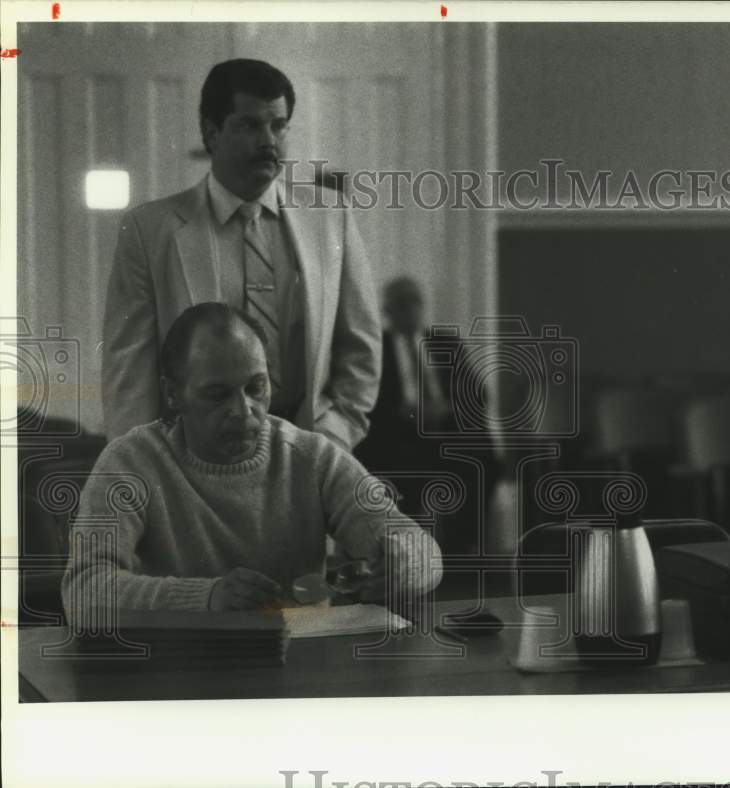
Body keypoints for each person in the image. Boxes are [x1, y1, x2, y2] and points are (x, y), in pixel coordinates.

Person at [62, 303, 441, 616]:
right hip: (177, 673)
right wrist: (207, 598)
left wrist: (404, 564)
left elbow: (420, 548)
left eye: (255, 388)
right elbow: (83, 590)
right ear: (173, 394)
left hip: (301, 668)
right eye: (217, 394)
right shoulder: (131, 462)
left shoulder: (312, 457)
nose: (243, 411)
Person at [102, 58, 380, 450]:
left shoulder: (330, 219)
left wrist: (331, 439)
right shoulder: (152, 231)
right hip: (192, 464)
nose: (269, 141)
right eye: (249, 125)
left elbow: (361, 348)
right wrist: (147, 469)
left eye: (278, 125)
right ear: (212, 133)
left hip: (307, 455)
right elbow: (128, 371)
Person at [354, 277, 500, 553]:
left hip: (445, 431)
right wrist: (400, 412)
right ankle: (409, 549)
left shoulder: (446, 343)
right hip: (397, 436)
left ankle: (460, 547)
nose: (410, 310)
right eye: (401, 304)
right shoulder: (375, 349)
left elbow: (479, 394)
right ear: (387, 311)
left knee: (483, 461)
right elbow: (362, 400)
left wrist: (446, 407)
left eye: (415, 303)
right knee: (402, 470)